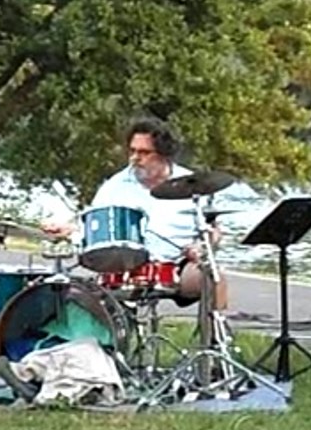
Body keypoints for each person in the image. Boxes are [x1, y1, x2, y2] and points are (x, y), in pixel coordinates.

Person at [42, 116, 228, 309]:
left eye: (144, 152)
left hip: (176, 267)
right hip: (125, 268)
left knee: (214, 275)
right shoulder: (115, 186)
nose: (135, 158)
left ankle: (217, 327)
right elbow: (94, 226)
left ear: (164, 154)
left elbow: (214, 231)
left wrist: (202, 247)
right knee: (80, 297)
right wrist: (70, 229)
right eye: (132, 151)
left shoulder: (193, 184)